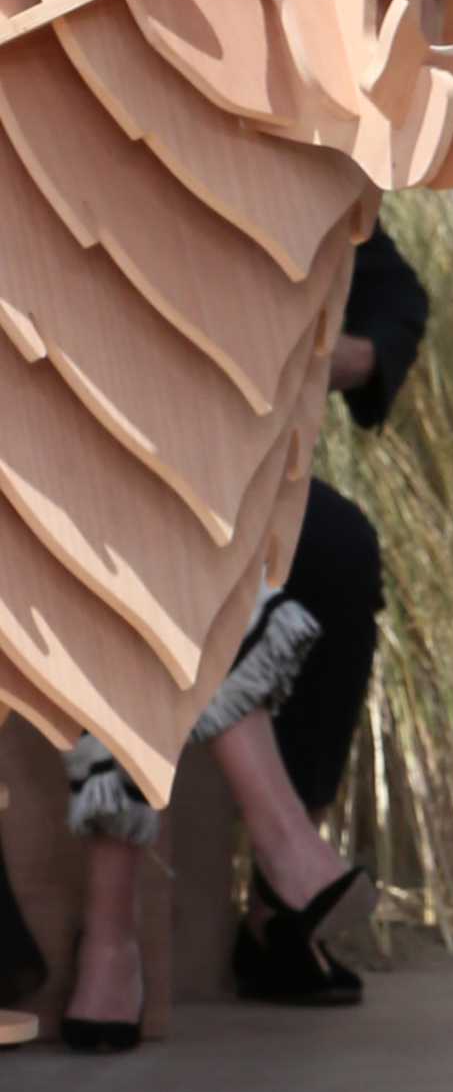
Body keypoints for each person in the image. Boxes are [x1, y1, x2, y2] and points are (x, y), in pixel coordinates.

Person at [57, 221, 428, 1040]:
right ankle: (274, 849)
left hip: (194, 466)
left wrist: (318, 357)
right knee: (148, 512)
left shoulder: (258, 155)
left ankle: (233, 906)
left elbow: (390, 290)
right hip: (60, 452)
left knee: (332, 546)